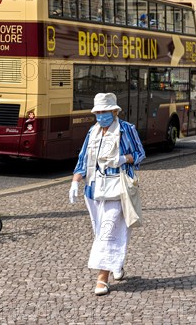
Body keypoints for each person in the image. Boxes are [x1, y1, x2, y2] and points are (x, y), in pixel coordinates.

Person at [69, 92, 146, 296]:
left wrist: (123, 159)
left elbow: (140, 154)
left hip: (116, 190)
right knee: (99, 232)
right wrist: (75, 181)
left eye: (104, 111)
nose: (100, 116)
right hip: (93, 191)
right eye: (98, 112)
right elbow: (83, 158)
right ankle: (115, 263)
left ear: (114, 111)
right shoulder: (92, 132)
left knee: (107, 232)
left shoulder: (126, 129)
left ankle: (102, 279)